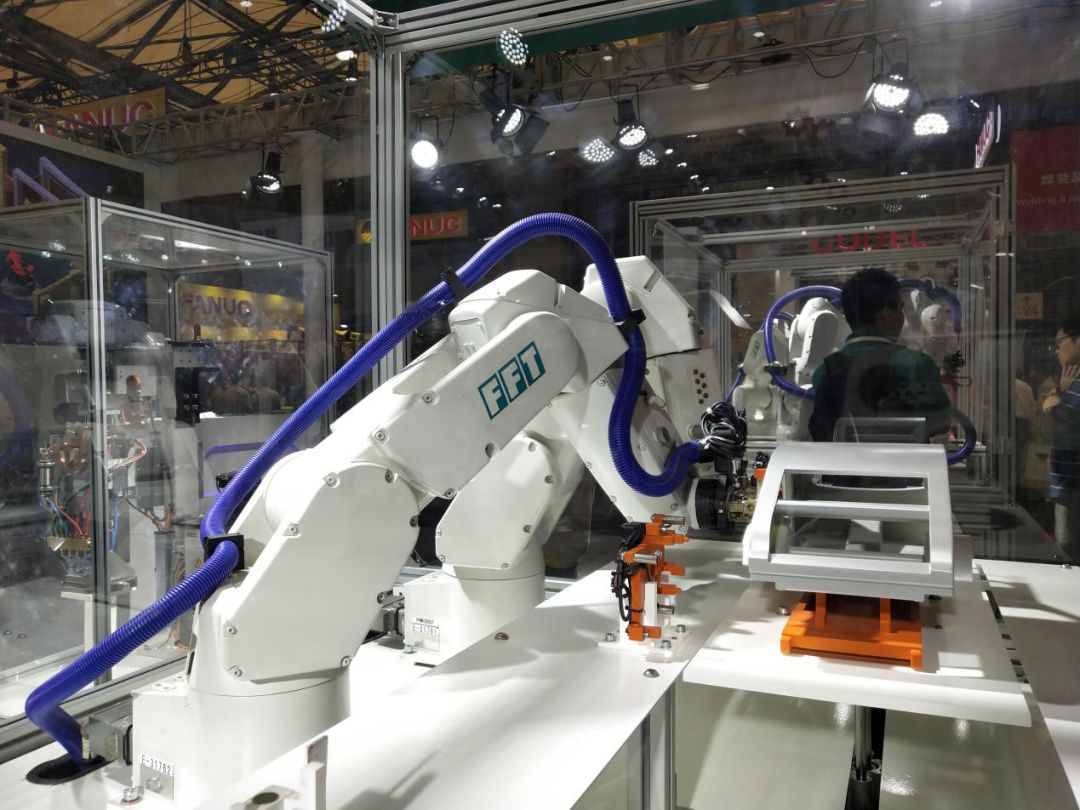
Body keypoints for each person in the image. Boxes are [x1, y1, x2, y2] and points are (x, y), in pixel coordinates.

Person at [808, 268, 952, 443]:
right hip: (904, 460)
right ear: (886, 313)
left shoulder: (823, 372)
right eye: (900, 308)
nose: (902, 317)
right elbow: (941, 421)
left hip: (841, 461)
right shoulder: (915, 364)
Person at [1041, 318, 1080, 562]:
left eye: (1060, 343)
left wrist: (1054, 405)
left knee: (1068, 550)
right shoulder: (1072, 383)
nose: (1056, 351)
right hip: (1067, 483)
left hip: (1072, 485)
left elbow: (1059, 424)